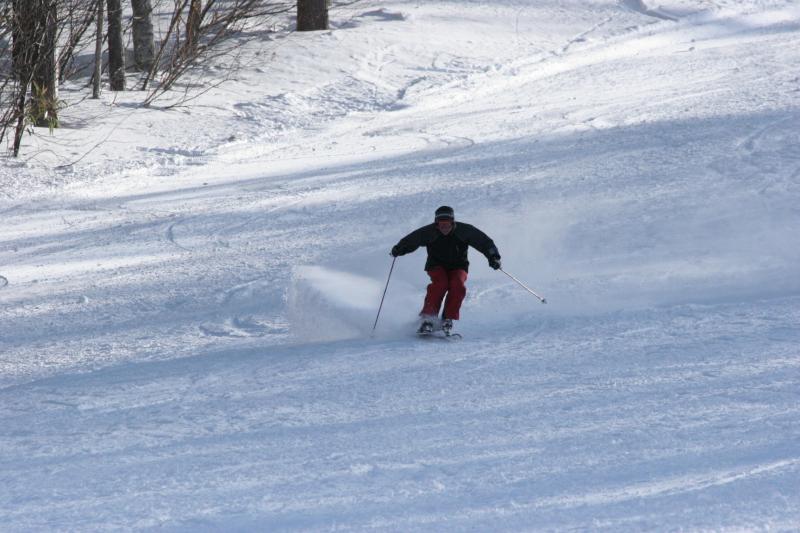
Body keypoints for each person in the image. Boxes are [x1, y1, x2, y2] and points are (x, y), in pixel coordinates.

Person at [391, 206, 501, 334]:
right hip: (436, 265)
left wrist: (493, 257)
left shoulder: (464, 231)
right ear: (436, 224)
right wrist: (399, 248)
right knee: (440, 284)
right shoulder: (429, 232)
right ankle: (428, 318)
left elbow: (484, 242)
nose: (444, 227)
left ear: (452, 222)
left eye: (447, 224)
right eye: (441, 224)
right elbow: (412, 240)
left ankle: (447, 318)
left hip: (459, 266)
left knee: (457, 285)